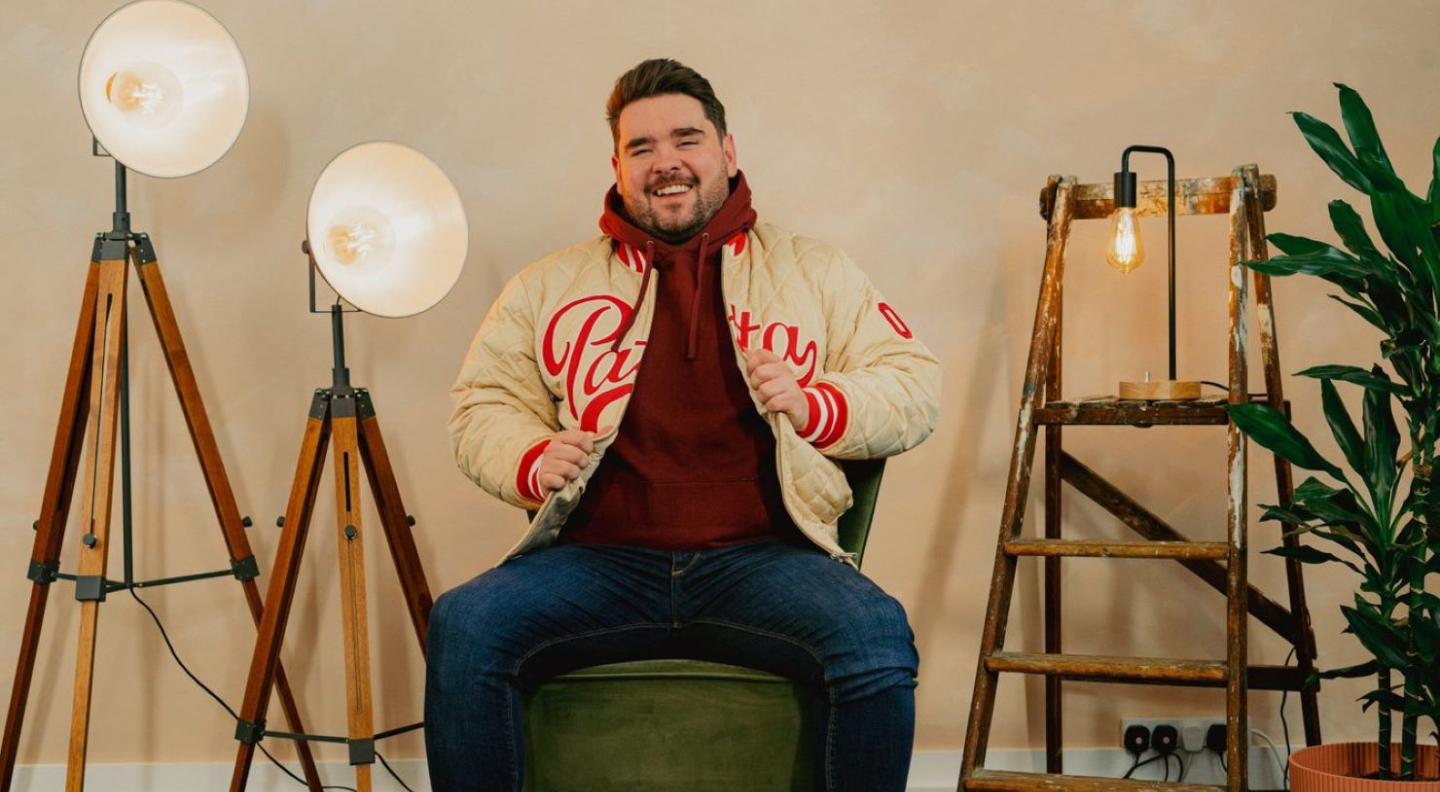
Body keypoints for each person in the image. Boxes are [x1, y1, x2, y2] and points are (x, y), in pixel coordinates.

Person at [427, 57, 941, 792]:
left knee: (874, 636)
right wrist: (532, 456)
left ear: (728, 154)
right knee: (466, 626)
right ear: (617, 166)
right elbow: (482, 403)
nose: (665, 161)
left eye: (686, 139)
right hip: (596, 563)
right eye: (641, 148)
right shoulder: (545, 286)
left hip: (763, 560)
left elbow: (912, 383)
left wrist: (813, 403)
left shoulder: (817, 272)